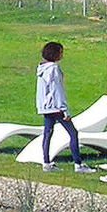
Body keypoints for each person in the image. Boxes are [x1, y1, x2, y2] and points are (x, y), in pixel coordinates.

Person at [34, 41, 85, 172]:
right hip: (56, 107)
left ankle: (46, 162)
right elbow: (57, 90)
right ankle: (78, 164)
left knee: (47, 133)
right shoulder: (54, 69)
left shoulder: (41, 69)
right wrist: (64, 109)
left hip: (45, 107)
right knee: (73, 133)